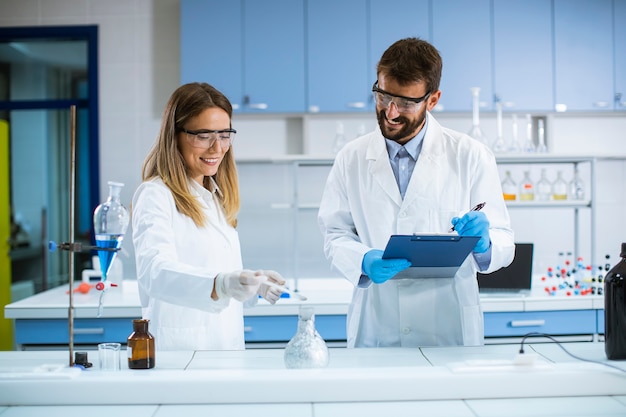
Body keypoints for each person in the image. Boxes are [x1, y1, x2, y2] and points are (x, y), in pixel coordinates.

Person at [317, 38, 515, 348]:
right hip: (377, 326)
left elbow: (504, 240)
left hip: (448, 328)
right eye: (382, 97)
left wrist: (486, 242)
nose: (391, 112)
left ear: (433, 100)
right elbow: (335, 234)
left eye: (406, 103)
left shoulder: (470, 155)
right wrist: (363, 259)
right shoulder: (351, 157)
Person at [132, 82, 285, 351]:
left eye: (224, 135)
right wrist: (222, 284)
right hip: (182, 354)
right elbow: (154, 273)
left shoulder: (215, 196)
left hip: (227, 347)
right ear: (175, 135)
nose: (217, 148)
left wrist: (251, 284)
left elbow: (216, 269)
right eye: (203, 136)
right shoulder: (155, 195)